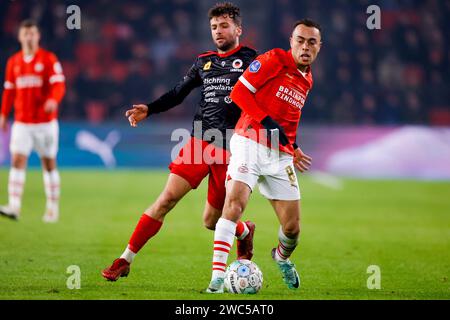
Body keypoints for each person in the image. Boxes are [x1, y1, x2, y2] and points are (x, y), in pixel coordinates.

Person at [102, 2, 258, 281]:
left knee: (212, 221)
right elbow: (178, 92)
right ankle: (125, 259)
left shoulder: (251, 59)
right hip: (199, 142)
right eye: (214, 27)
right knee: (165, 200)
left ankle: (244, 230)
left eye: (224, 26)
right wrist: (149, 108)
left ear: (238, 29)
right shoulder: (204, 61)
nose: (218, 31)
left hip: (232, 148)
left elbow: (267, 96)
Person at [206, 19, 321, 293]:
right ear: (291, 42)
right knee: (234, 204)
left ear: (318, 47)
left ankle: (281, 258)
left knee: (292, 229)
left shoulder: (308, 79)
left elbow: (288, 120)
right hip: (249, 141)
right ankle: (217, 278)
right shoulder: (273, 59)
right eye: (300, 40)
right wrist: (266, 121)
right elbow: (239, 92)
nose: (305, 46)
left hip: (279, 156)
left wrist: (293, 146)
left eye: (311, 42)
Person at [0, 19, 66, 223]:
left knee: (49, 164)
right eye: (25, 33)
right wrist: (3, 114)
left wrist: (53, 100)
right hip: (21, 122)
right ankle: (14, 206)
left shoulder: (48, 59)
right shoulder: (14, 62)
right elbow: (9, 91)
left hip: (45, 123)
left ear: (38, 36)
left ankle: (52, 208)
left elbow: (59, 85)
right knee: (17, 160)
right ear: (20, 37)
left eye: (32, 33)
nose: (29, 37)